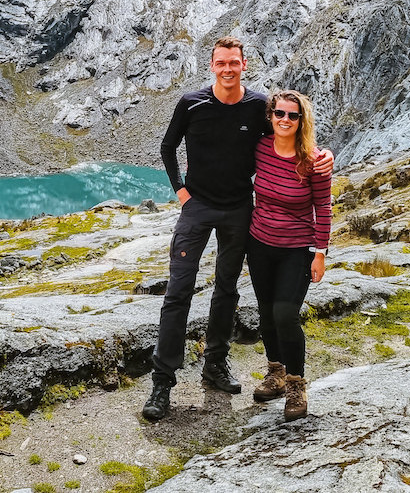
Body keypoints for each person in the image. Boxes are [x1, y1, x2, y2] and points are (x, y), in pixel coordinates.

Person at [142, 37, 331, 421]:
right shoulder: (191, 103)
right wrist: (181, 193)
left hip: (239, 212)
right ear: (212, 65)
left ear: (245, 64)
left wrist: (323, 155)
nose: (228, 68)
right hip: (196, 209)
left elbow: (288, 131)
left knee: (226, 290)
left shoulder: (259, 106)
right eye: (221, 62)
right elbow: (167, 147)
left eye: (234, 62)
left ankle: (215, 364)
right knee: (178, 292)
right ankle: (163, 381)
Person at [246, 90, 330, 420]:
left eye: (292, 116)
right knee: (266, 313)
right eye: (279, 114)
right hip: (259, 243)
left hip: (297, 248)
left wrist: (320, 253)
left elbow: (323, 208)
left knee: (285, 314)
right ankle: (276, 373)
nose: (285, 120)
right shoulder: (260, 148)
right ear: (271, 116)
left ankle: (296, 384)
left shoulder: (314, 160)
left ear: (301, 120)